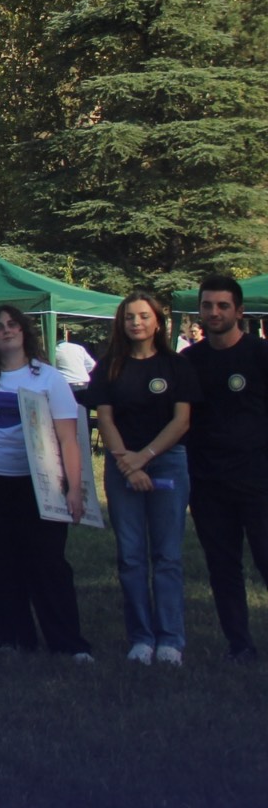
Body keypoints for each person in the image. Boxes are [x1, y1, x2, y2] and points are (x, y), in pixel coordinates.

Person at [0, 304, 92, 660]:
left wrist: (74, 487)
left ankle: (67, 642)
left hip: (37, 484)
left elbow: (68, 438)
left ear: (24, 331)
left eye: (13, 325)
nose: (6, 331)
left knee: (48, 562)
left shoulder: (47, 378)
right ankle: (11, 635)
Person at [91, 290, 198, 666]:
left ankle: (170, 639)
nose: (136, 323)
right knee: (131, 557)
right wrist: (126, 464)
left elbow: (181, 421)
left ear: (157, 321)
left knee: (167, 555)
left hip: (167, 463)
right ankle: (141, 638)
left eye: (143, 316)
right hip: (123, 465)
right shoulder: (109, 367)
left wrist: (145, 458)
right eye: (129, 317)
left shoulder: (177, 366)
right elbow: (105, 418)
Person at [182, 275, 268, 662]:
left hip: (258, 479)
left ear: (239, 312)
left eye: (222, 306)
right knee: (222, 566)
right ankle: (240, 644)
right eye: (207, 305)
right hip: (208, 481)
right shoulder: (189, 362)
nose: (213, 312)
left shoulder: (260, 355)